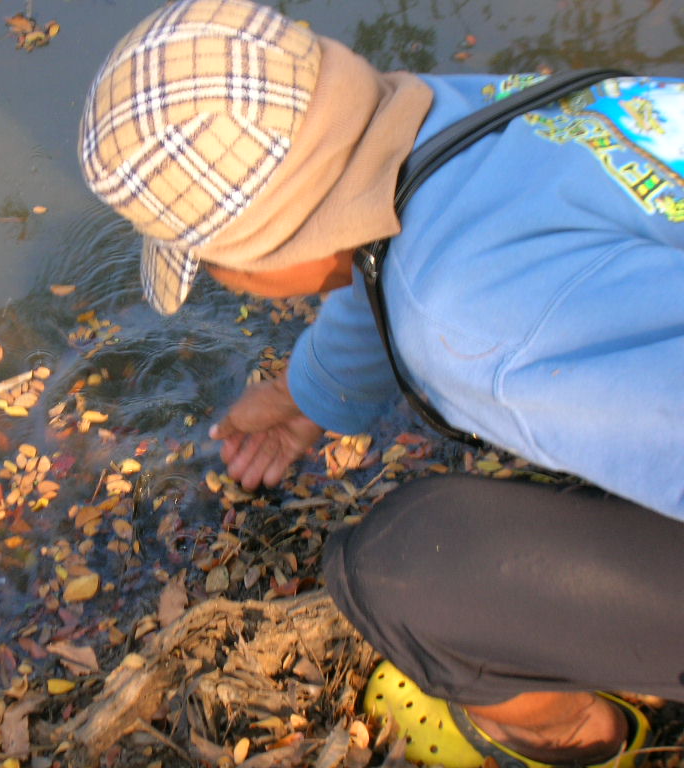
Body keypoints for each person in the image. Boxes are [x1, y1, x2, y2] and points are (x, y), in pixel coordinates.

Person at [78, 0, 684, 765]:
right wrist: (310, 392)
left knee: (408, 569)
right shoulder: (464, 107)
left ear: (271, 245)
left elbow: (444, 298)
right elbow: (395, 240)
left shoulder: (467, 325)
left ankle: (572, 734)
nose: (229, 286)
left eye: (216, 265)